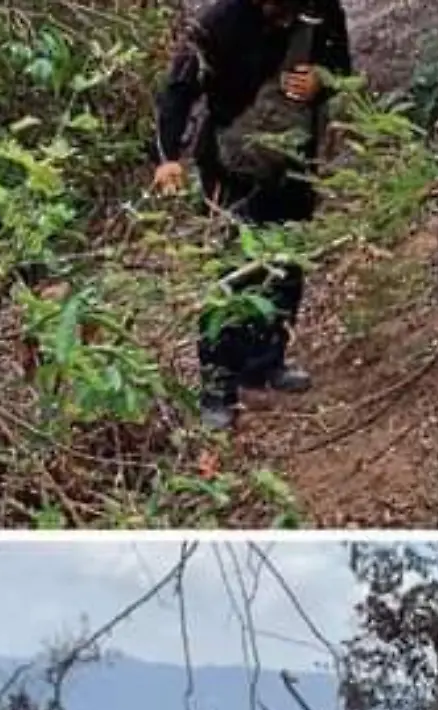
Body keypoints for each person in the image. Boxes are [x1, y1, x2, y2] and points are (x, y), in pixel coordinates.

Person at [151, 0, 354, 431]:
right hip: (230, 165)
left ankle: (266, 362)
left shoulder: (321, 10)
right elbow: (178, 89)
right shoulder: (218, 21)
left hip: (294, 159)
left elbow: (344, 69)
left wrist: (323, 80)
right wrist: (168, 156)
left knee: (285, 263)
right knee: (230, 273)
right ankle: (217, 388)